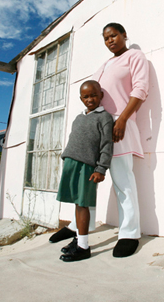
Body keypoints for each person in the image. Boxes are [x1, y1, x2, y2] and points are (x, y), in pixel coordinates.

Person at [49, 22, 149, 258]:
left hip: (119, 126)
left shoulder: (135, 56)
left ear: (124, 35)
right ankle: (78, 227)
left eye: (113, 35)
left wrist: (123, 118)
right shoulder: (104, 64)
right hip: (97, 126)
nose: (110, 41)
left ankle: (129, 233)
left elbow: (141, 89)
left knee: (123, 181)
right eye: (106, 38)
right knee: (87, 180)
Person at [56, 80, 114, 262]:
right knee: (76, 204)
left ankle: (83, 247)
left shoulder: (104, 117)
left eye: (94, 95)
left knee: (83, 204)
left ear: (101, 95)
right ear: (81, 99)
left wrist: (101, 169)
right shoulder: (78, 117)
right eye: (86, 96)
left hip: (87, 167)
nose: (90, 99)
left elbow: (106, 145)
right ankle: (79, 239)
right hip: (71, 164)